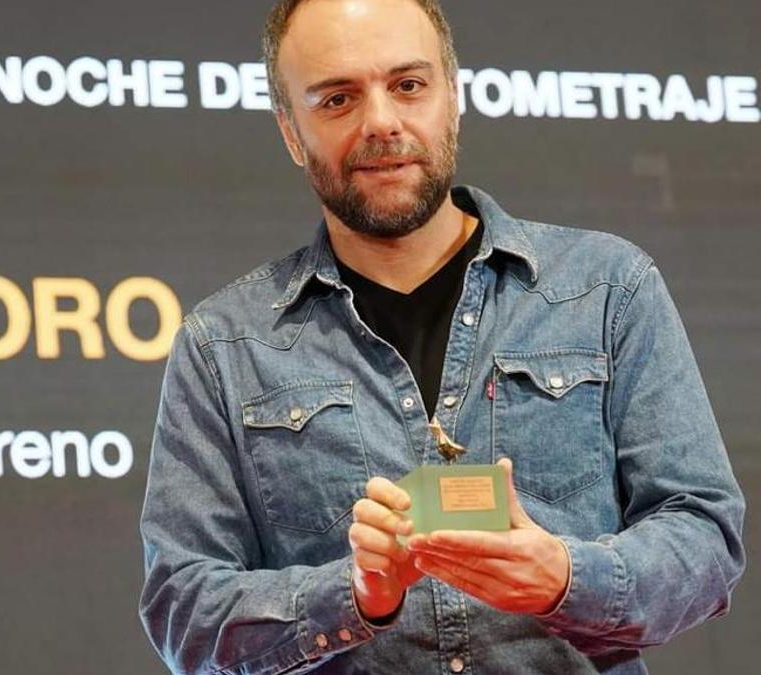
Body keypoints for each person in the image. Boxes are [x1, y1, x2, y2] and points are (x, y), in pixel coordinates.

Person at [137, 0, 746, 673]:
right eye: (337, 98)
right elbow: (182, 608)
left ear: (452, 96)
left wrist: (566, 577)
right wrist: (353, 594)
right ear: (290, 130)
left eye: (408, 85)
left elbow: (706, 538)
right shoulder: (223, 344)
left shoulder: (608, 288)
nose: (381, 122)